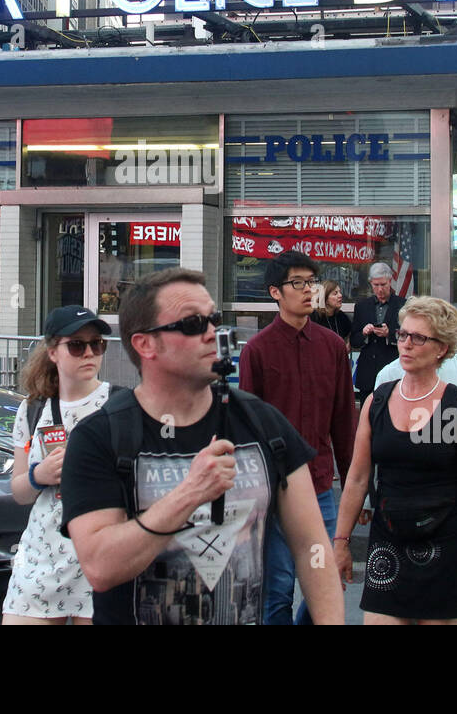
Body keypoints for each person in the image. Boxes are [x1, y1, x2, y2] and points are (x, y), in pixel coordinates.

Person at [59, 268, 343, 625]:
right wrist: (189, 494)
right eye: (193, 324)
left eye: (215, 320)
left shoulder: (263, 423)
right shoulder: (100, 437)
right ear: (145, 344)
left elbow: (311, 547)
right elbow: (101, 567)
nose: (213, 334)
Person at [332, 296, 457, 623]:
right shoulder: (376, 402)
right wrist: (340, 541)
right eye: (402, 335)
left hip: (447, 542)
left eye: (418, 338)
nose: (406, 344)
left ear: (441, 348)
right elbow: (357, 478)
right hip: (389, 539)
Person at [240, 251, 356, 625]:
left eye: (312, 282)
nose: (309, 291)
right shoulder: (257, 350)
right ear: (275, 292)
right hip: (273, 490)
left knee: (326, 582)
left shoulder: (333, 347)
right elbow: (247, 428)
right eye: (298, 283)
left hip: (320, 486)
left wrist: (357, 486)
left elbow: (344, 423)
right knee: (276, 589)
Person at [2, 306, 111, 624]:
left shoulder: (119, 404)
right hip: (42, 554)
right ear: (52, 352)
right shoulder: (33, 409)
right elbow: (20, 492)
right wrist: (40, 475)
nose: (89, 352)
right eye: (77, 345)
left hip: (100, 552)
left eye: (97, 344)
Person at [350, 263, 406, 402]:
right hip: (367, 372)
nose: (380, 289)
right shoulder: (362, 306)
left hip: (393, 370)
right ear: (370, 283)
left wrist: (390, 334)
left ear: (390, 281)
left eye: (383, 284)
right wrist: (364, 333)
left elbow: (410, 337)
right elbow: (354, 340)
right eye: (376, 285)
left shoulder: (403, 305)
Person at [312, 280, 353, 348]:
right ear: (325, 298)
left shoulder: (341, 316)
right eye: (335, 293)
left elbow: (354, 332)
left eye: (340, 292)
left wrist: (349, 345)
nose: (340, 295)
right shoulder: (314, 317)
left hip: (337, 357)